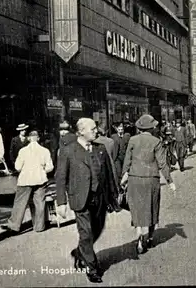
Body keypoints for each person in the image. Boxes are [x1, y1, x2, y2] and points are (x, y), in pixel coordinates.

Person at [55, 118, 120, 283]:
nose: (96, 131)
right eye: (92, 129)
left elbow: (109, 175)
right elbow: (61, 178)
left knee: (97, 229)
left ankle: (79, 253)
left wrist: (113, 196)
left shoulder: (101, 148)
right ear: (81, 131)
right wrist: (61, 202)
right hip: (80, 199)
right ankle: (92, 267)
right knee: (86, 233)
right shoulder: (68, 151)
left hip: (100, 198)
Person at [120, 115, 176, 255]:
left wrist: (124, 177)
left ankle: (139, 235)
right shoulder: (156, 142)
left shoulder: (132, 140)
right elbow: (162, 163)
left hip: (135, 179)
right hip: (151, 179)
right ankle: (150, 237)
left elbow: (127, 161)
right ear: (151, 128)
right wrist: (170, 181)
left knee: (138, 208)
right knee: (152, 206)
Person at [1, 130, 54, 234]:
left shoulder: (23, 151)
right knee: (39, 203)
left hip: (25, 179)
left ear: (29, 139)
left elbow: (18, 167)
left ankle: (14, 226)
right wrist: (42, 170)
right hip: (40, 179)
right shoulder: (45, 151)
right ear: (38, 138)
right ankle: (39, 226)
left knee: (20, 203)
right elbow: (50, 167)